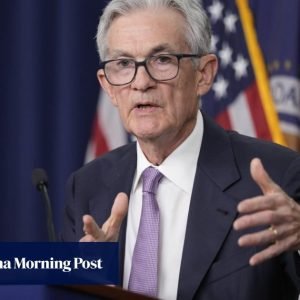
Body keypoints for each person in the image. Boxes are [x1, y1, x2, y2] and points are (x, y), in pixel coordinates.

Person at [62, 0, 300, 299]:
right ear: (108, 86)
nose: (141, 82)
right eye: (123, 64)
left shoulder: (278, 176)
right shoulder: (86, 188)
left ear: (204, 74)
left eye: (162, 59)